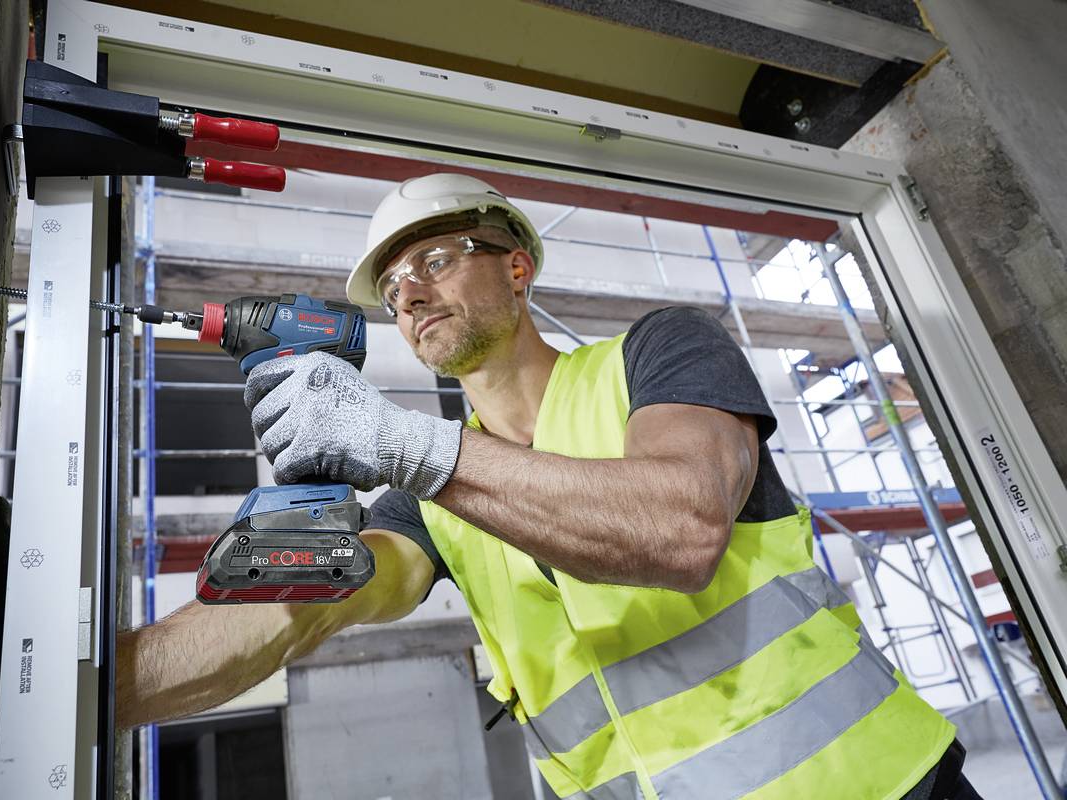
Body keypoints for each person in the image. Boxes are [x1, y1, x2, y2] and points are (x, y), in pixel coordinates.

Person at [117, 173, 981, 799]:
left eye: (436, 259)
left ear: (518, 266)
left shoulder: (658, 356)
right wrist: (91, 688)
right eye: (391, 288)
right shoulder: (429, 500)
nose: (409, 294)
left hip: (880, 786)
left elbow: (679, 530)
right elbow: (309, 601)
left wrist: (392, 440)